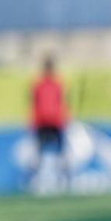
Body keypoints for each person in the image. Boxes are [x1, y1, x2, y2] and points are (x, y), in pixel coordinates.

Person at [29, 55, 70, 192]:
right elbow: (35, 103)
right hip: (46, 122)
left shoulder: (53, 84)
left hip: (53, 122)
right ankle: (38, 180)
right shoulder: (42, 85)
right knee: (42, 153)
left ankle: (63, 180)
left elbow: (62, 102)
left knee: (58, 153)